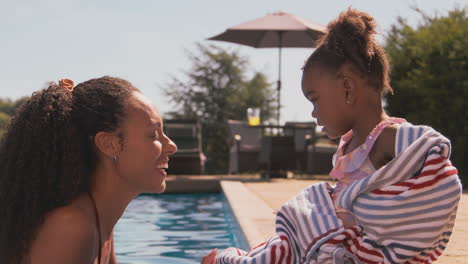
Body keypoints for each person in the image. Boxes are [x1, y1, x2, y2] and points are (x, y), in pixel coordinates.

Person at [206, 8, 462, 264]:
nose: (314, 113)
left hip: (356, 249)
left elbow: (437, 175)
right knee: (283, 244)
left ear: (348, 88)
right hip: (333, 239)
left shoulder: (391, 136)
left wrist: (369, 221)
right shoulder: (351, 142)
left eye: (315, 100)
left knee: (280, 251)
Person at [0, 76, 177, 264]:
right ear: (109, 144)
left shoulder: (99, 221)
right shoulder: (72, 228)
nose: (171, 146)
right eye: (154, 135)